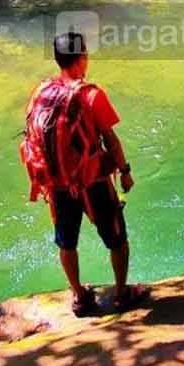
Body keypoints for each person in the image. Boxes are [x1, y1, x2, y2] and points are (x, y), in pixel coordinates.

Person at [20, 32, 150, 316]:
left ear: (57, 60)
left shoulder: (41, 92)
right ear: (83, 57)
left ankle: (79, 296)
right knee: (117, 239)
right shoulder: (90, 94)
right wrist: (125, 172)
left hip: (57, 184)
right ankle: (121, 293)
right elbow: (111, 140)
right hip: (92, 182)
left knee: (66, 241)